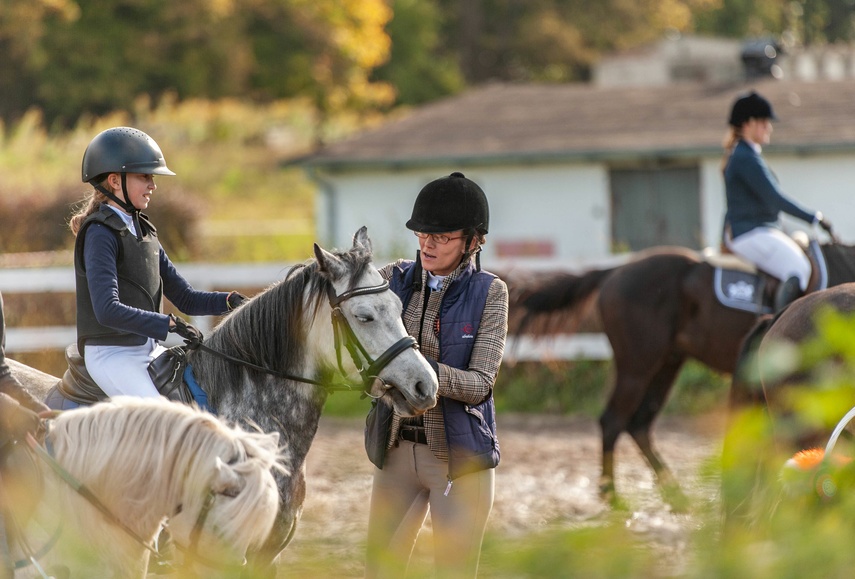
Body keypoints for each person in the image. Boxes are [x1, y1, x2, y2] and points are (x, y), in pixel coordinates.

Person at [364, 172, 508, 578]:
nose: (427, 243)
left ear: (473, 241)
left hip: (459, 462)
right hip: (394, 451)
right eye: (423, 234)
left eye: (442, 237)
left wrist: (415, 371)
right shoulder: (393, 279)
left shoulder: (490, 292)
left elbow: (480, 383)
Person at [50, 127, 246, 408]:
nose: (153, 185)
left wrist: (232, 302)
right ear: (115, 181)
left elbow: (186, 298)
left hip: (147, 350)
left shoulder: (144, 231)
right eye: (145, 176)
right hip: (111, 355)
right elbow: (107, 309)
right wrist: (166, 323)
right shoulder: (99, 233)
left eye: (152, 177)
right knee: (165, 419)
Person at [722, 90, 833, 311]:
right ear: (748, 124)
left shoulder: (747, 155)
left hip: (757, 230)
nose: (768, 128)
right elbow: (774, 199)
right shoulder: (745, 158)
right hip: (752, 232)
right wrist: (813, 218)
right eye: (763, 122)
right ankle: (779, 330)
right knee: (799, 268)